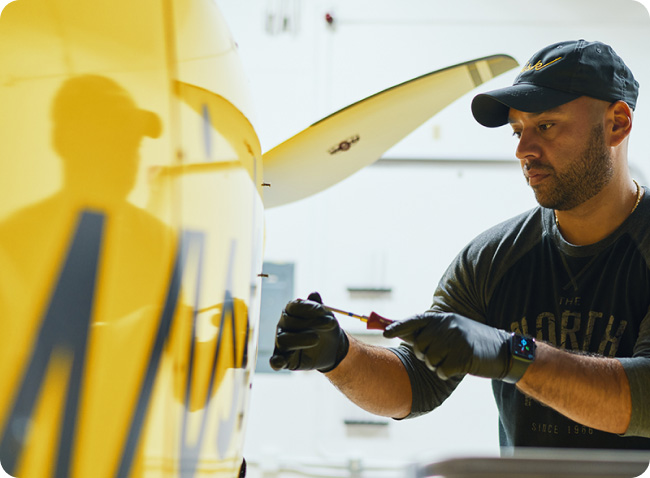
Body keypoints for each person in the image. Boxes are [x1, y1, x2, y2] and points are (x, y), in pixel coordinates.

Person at [269, 39, 650, 450]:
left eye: (546, 125)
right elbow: (416, 383)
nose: (523, 150)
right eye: (518, 130)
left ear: (617, 123)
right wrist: (339, 354)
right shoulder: (493, 258)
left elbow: (645, 398)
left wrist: (511, 353)